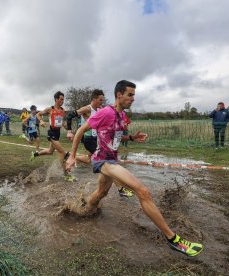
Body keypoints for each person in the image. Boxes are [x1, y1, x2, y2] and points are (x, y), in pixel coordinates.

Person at [65, 80, 203, 257]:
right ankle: (173, 239)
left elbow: (116, 136)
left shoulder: (122, 117)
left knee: (101, 193)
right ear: (119, 95)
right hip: (103, 160)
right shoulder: (105, 112)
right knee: (143, 191)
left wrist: (131, 138)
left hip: (112, 159)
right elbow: (80, 131)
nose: (133, 99)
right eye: (130, 95)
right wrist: (72, 155)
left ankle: (84, 211)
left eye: (134, 95)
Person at [66, 89, 133, 197]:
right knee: (108, 162)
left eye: (102, 100)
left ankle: (71, 156)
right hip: (88, 139)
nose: (101, 102)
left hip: (97, 139)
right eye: (100, 100)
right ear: (94, 99)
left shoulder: (101, 110)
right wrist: (69, 131)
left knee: (90, 160)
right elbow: (69, 116)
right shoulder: (87, 108)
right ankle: (120, 189)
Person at [33, 91, 75, 182]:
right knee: (62, 152)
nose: (62, 101)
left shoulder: (63, 111)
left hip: (58, 133)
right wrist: (41, 121)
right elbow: (38, 114)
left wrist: (70, 130)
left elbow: (62, 123)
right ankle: (66, 175)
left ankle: (35, 154)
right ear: (56, 99)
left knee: (50, 152)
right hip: (51, 132)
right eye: (61, 99)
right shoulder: (50, 109)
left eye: (63, 99)